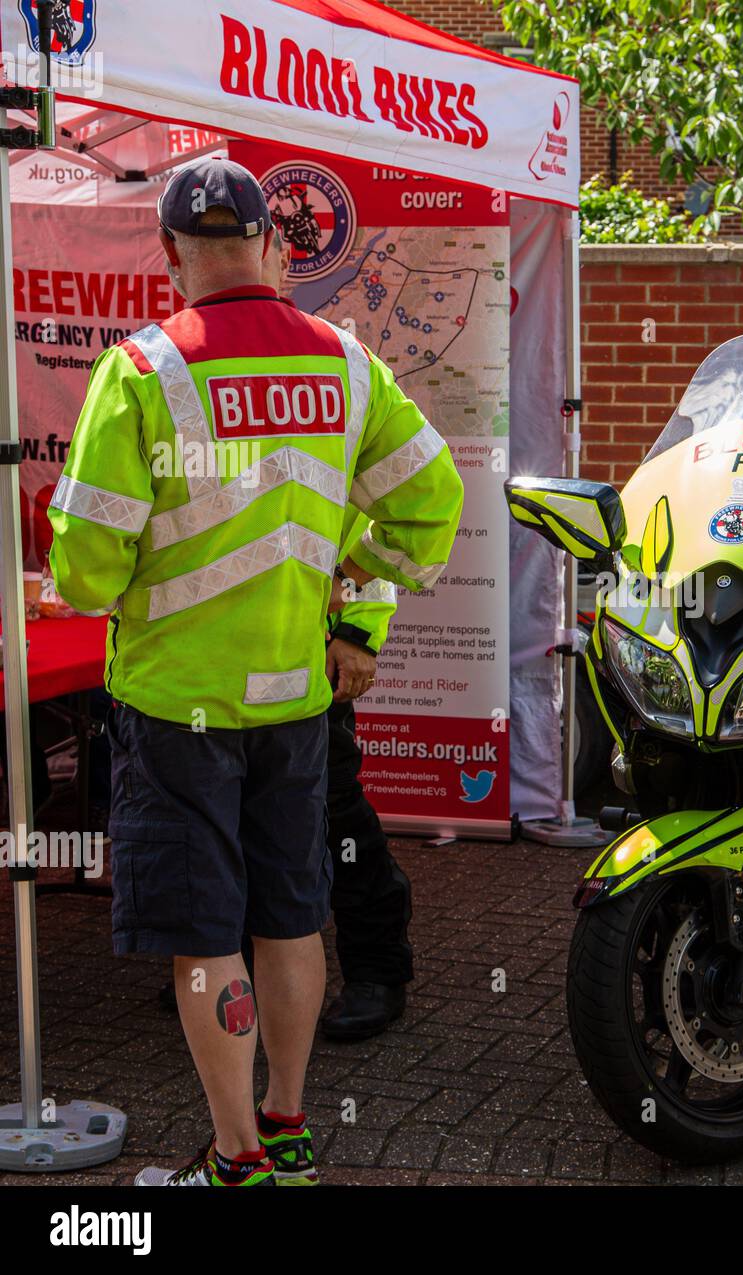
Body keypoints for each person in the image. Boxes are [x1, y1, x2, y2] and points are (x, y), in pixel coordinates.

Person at [48, 158, 464, 1187]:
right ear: (275, 247)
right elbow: (430, 507)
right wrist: (358, 585)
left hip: (175, 703)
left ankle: (236, 1164)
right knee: (289, 914)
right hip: (296, 698)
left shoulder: (142, 372)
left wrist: (98, 577)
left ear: (170, 253)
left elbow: (89, 567)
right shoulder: (349, 365)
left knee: (205, 936)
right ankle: (286, 1131)